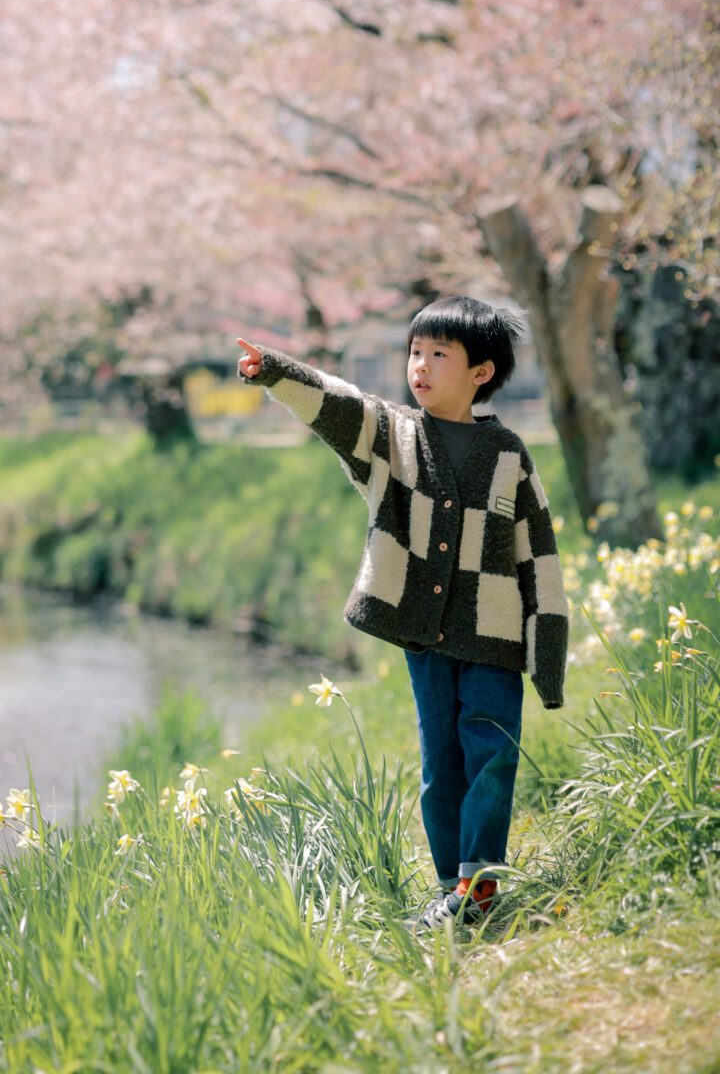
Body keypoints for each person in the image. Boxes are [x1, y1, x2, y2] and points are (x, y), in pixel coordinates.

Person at [236, 295, 568, 930]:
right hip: (424, 635)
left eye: (439, 354)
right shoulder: (392, 436)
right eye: (415, 352)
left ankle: (480, 886)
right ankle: (454, 889)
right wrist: (276, 370)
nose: (420, 365)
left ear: (481, 373)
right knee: (440, 762)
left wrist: (545, 652)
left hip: (493, 634)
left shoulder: (508, 455)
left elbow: (538, 555)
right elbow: (336, 407)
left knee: (491, 752)